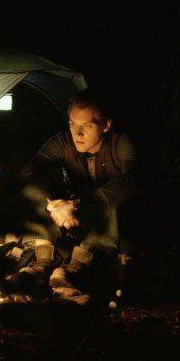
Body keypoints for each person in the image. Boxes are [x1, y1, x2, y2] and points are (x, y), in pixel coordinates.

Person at [16, 90, 139, 305]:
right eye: (73, 123)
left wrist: (79, 205)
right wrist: (55, 205)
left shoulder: (121, 142)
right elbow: (30, 172)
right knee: (35, 190)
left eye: (87, 126)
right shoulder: (63, 141)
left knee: (111, 197)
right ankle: (42, 262)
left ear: (106, 125)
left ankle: (74, 269)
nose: (77, 133)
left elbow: (134, 178)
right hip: (71, 220)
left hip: (109, 226)